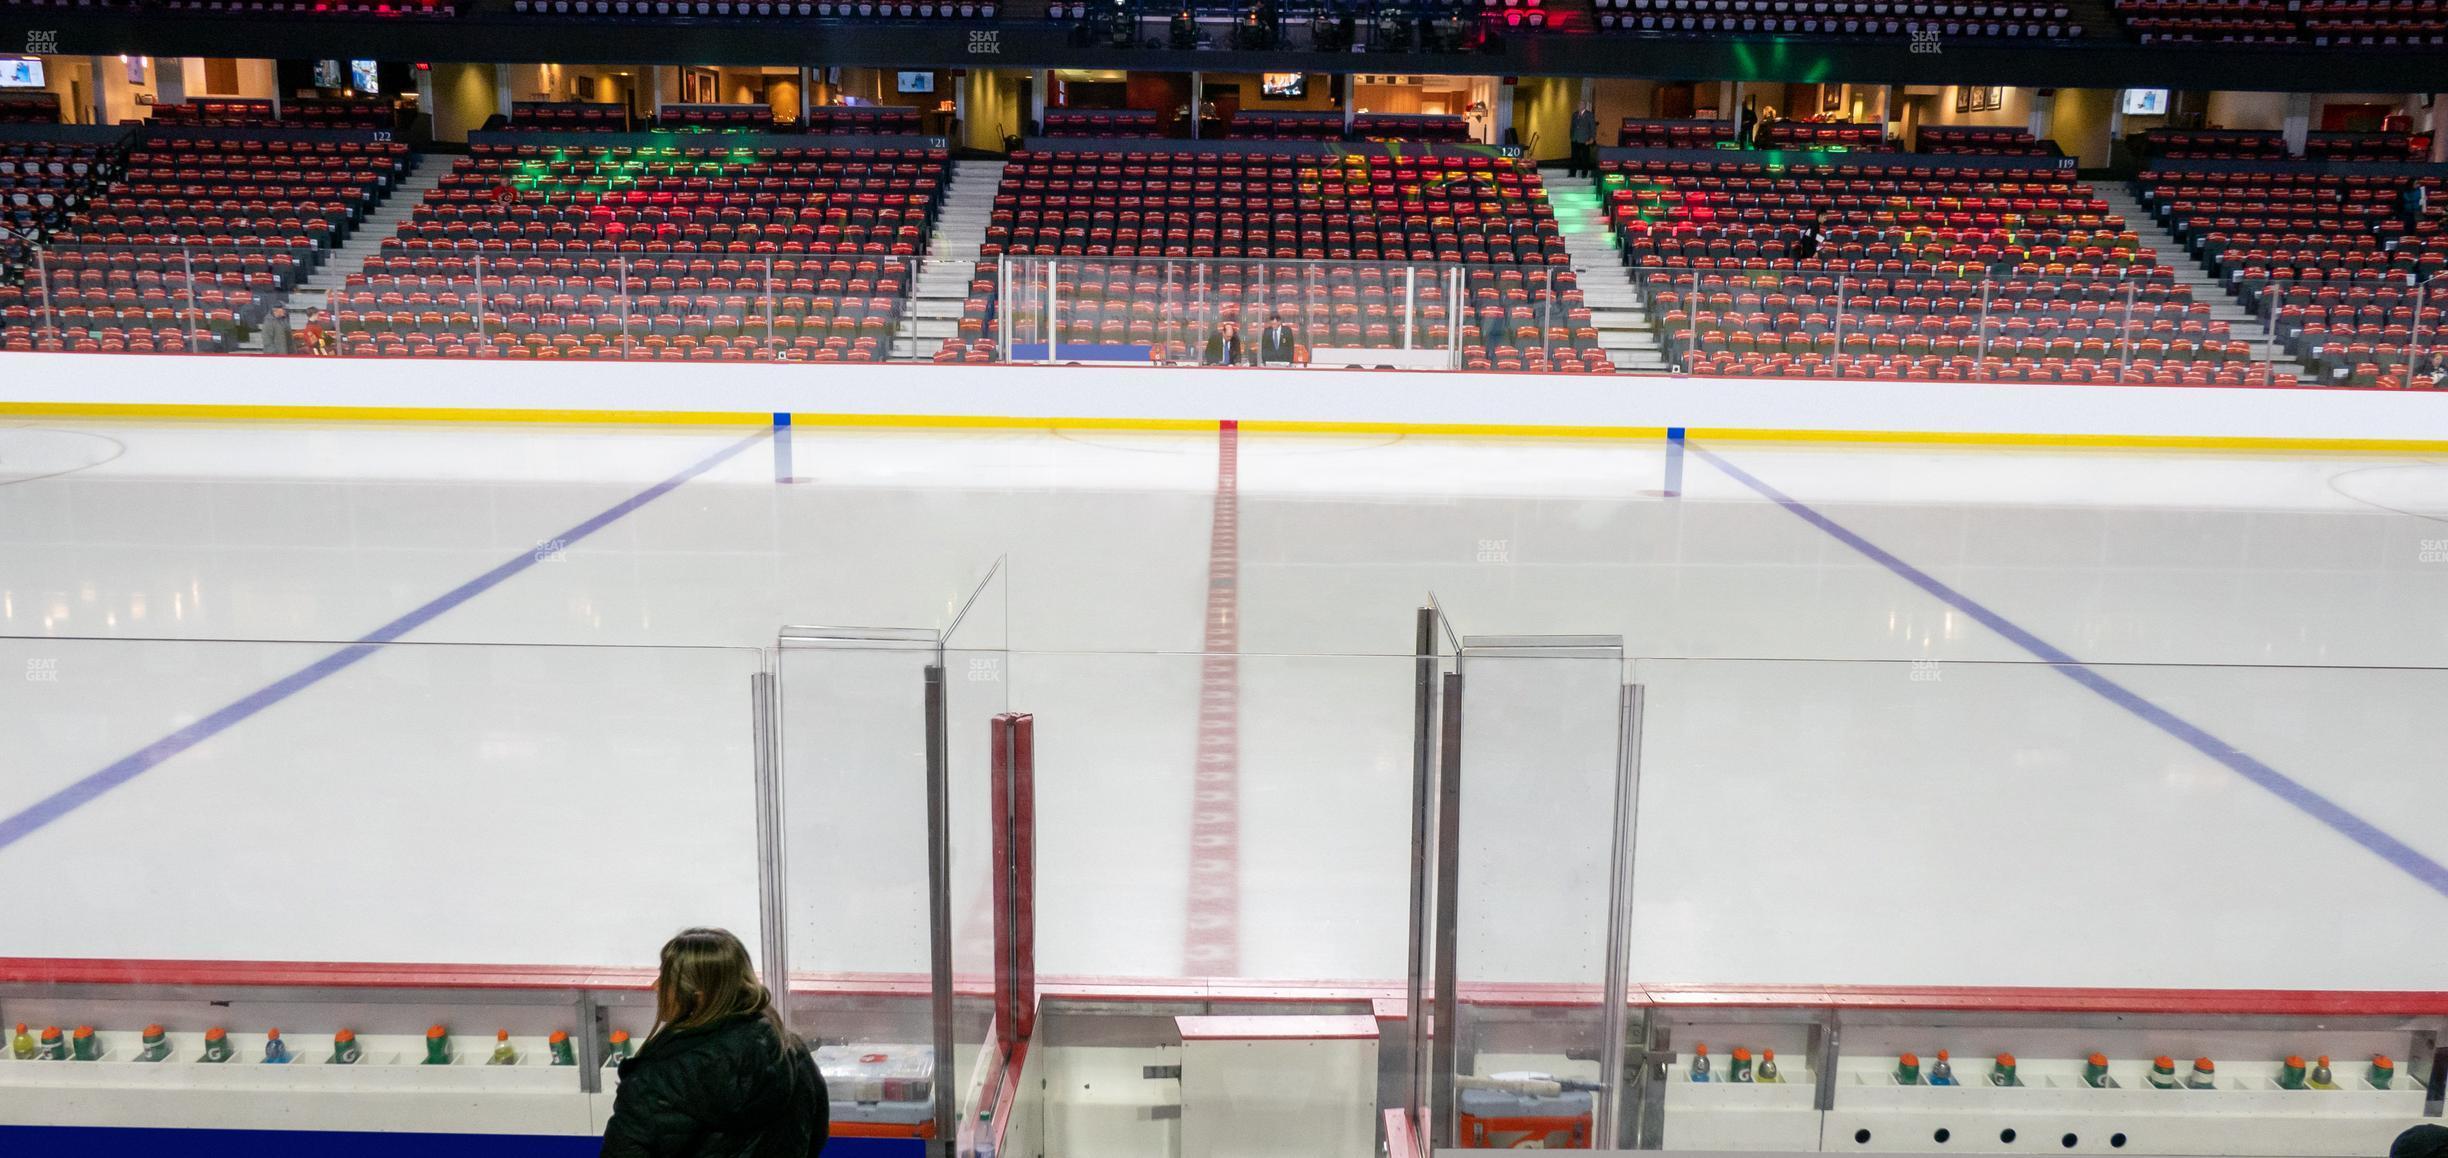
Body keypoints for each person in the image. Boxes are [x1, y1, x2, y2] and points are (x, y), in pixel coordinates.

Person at [601, 928, 829, 1158]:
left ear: (698, 994)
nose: (656, 985)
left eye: (666, 976)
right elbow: (813, 1138)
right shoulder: (792, 1053)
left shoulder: (652, 1083)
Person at [1568, 101, 1599, 180]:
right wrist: (1571, 136)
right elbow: (1572, 126)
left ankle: (1584, 174)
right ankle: (1572, 173)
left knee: (1585, 158)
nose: (1579, 105)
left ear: (1584, 106)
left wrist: (1592, 138)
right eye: (1579, 104)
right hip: (1575, 139)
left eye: (1581, 104)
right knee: (1574, 157)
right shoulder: (1575, 114)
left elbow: (1593, 127)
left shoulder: (1589, 115)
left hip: (1585, 140)